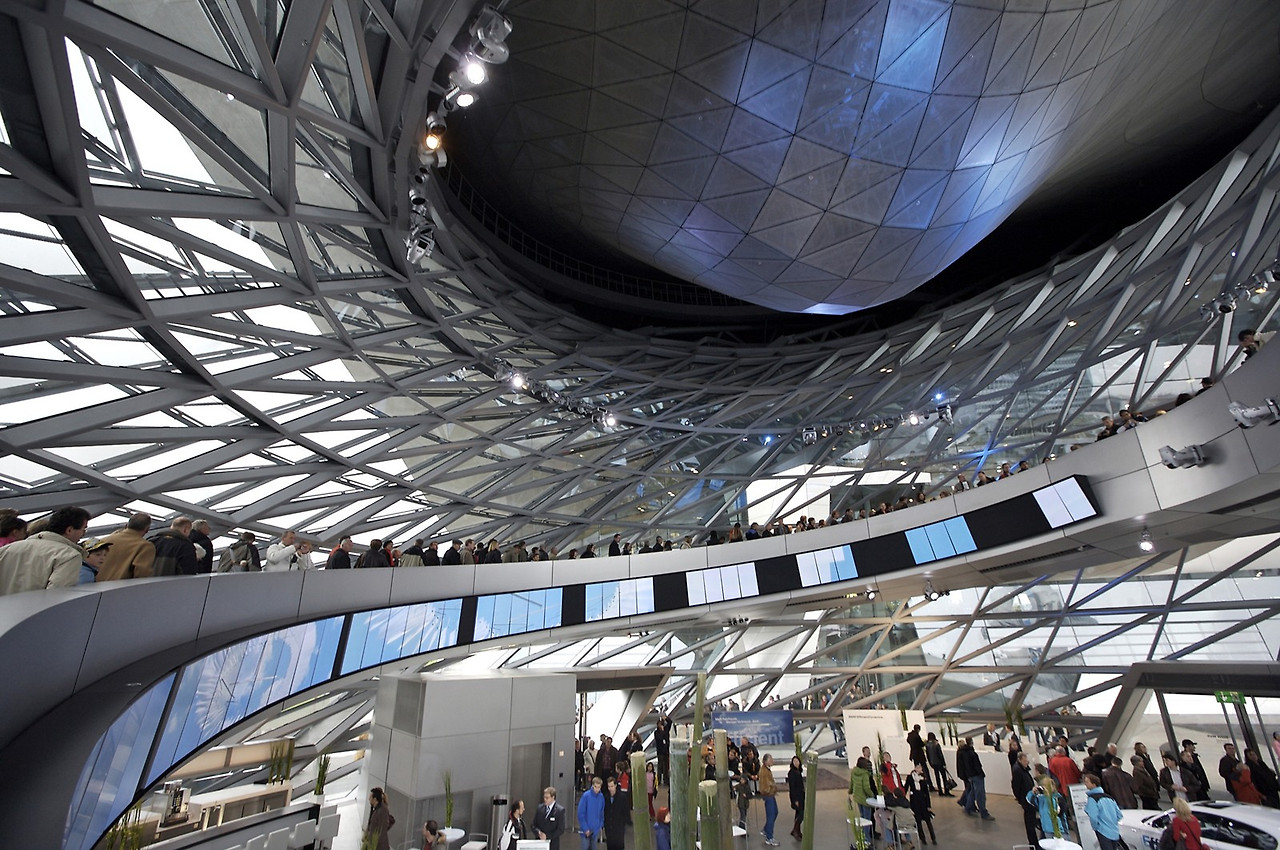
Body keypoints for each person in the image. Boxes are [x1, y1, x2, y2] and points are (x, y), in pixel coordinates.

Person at [0, 505, 91, 595]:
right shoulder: (69, 556)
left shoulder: (6, 550)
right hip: (34, 604)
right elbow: (57, 595)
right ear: (69, 530)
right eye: (83, 529)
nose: (83, 534)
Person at [96, 512, 156, 581]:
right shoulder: (145, 546)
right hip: (120, 586)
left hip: (94, 585)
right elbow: (141, 573)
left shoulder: (103, 540)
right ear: (147, 529)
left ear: (126, 525)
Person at [1083, 773, 1123, 850]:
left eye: (1087, 782)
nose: (1085, 784)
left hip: (1102, 831)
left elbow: (1093, 816)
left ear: (1094, 784)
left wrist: (1096, 828)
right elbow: (1119, 815)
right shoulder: (1110, 798)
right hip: (1114, 831)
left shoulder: (1092, 799)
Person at [1028, 769, 1067, 838]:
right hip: (1046, 830)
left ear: (1053, 786)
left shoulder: (1058, 798)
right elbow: (1030, 800)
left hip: (1059, 830)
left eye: (1047, 786)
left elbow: (1060, 813)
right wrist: (1032, 793)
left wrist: (1049, 796)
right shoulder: (1041, 799)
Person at [1012, 751, 1039, 846]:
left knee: (1031, 821)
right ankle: (1033, 843)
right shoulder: (1017, 770)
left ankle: (1034, 842)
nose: (1027, 762)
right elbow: (1016, 786)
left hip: (1029, 798)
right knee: (1030, 823)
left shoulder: (1022, 769)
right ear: (1020, 760)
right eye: (1025, 760)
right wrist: (1020, 799)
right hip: (1026, 799)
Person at [905, 762, 936, 845]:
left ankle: (933, 838)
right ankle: (922, 838)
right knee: (918, 821)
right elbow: (906, 787)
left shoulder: (923, 778)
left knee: (928, 820)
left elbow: (926, 792)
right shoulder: (910, 777)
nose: (920, 769)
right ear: (915, 768)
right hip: (915, 802)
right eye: (918, 767)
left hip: (923, 802)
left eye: (920, 767)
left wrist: (928, 805)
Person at [533, 786, 566, 850]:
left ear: (553, 797)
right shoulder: (540, 808)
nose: (545, 799)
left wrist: (547, 836)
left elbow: (561, 829)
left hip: (552, 844)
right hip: (539, 843)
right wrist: (539, 833)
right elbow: (533, 825)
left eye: (547, 798)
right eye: (544, 797)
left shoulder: (560, 811)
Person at [577, 777, 605, 850]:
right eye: (595, 786)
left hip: (595, 830)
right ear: (592, 785)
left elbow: (602, 812)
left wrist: (600, 825)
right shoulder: (586, 796)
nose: (597, 789)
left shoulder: (601, 797)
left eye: (599, 787)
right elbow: (581, 814)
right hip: (585, 830)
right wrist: (585, 828)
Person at [603, 775, 629, 850]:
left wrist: (624, 822)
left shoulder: (622, 797)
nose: (610, 788)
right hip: (609, 827)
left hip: (619, 827)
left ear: (615, 785)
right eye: (609, 786)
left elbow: (625, 811)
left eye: (612, 786)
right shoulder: (606, 797)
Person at [759, 753, 779, 846]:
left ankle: (766, 829)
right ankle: (769, 837)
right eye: (771, 760)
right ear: (766, 761)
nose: (772, 761)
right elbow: (765, 786)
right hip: (769, 795)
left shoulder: (766, 770)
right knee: (771, 815)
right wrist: (771, 789)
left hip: (770, 794)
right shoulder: (764, 772)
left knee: (775, 812)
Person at [787, 755, 804, 840]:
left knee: (798, 813)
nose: (796, 763)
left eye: (797, 761)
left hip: (800, 795)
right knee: (801, 814)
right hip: (797, 797)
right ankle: (795, 830)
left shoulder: (798, 771)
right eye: (794, 761)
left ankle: (797, 830)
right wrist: (795, 800)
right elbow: (792, 787)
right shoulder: (792, 773)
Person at [654, 715, 670, 785]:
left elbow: (670, 723)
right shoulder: (656, 732)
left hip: (666, 750)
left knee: (666, 765)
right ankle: (659, 779)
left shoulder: (666, 729)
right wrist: (662, 731)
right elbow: (660, 738)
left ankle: (666, 779)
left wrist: (666, 718)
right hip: (660, 751)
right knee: (660, 765)